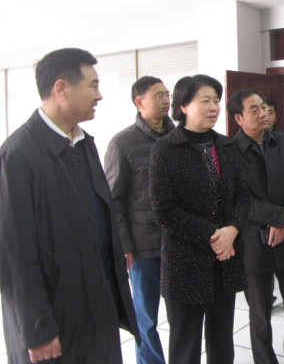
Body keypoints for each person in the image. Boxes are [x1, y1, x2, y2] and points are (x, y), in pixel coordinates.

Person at [0, 48, 139, 364]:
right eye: (93, 85)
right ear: (61, 89)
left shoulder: (83, 144)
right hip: (56, 322)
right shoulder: (16, 158)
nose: (99, 95)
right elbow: (12, 259)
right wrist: (38, 329)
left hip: (95, 311)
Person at [150, 74, 250, 364]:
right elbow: (164, 210)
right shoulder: (165, 148)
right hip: (185, 262)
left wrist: (232, 229)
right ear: (183, 105)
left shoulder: (226, 146)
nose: (214, 107)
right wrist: (215, 235)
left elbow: (243, 196)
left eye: (216, 100)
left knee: (222, 339)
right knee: (186, 344)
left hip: (224, 260)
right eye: (205, 100)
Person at [227, 89, 284, 364]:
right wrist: (278, 217)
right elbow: (237, 199)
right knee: (260, 315)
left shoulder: (283, 142)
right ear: (239, 118)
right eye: (254, 110)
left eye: (263, 107)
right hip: (252, 244)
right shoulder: (229, 152)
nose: (263, 113)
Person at [105, 76, 175, 364]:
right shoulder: (122, 143)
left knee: (182, 314)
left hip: (178, 242)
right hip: (143, 246)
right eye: (158, 95)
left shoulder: (180, 137)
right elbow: (114, 199)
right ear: (139, 102)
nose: (166, 100)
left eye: (167, 94)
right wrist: (123, 244)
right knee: (146, 317)